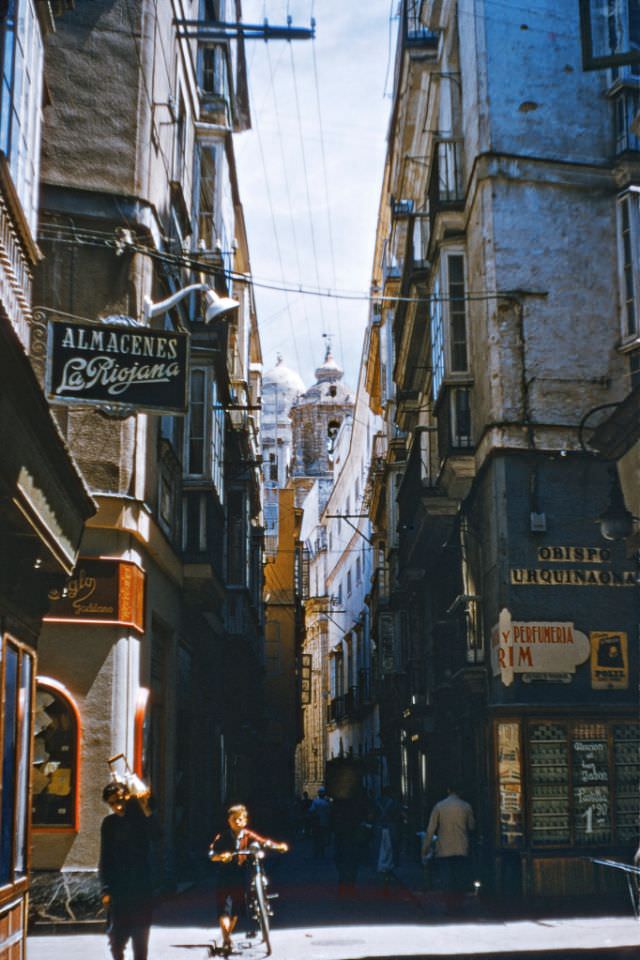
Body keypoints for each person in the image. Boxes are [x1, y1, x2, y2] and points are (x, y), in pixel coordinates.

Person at [209, 803, 288, 952]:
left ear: (245, 821)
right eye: (234, 819)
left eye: (240, 819)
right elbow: (211, 854)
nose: (237, 822)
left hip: (240, 875)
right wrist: (221, 857)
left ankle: (227, 936)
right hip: (224, 875)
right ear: (229, 821)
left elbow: (263, 842)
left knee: (237, 910)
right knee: (224, 909)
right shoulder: (223, 837)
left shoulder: (247, 835)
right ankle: (226, 938)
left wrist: (278, 846)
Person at [99, 781, 158, 960]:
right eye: (112, 803)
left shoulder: (141, 817)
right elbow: (105, 857)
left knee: (140, 941)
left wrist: (145, 807)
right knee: (117, 941)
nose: (117, 806)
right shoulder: (109, 823)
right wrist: (105, 889)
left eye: (119, 800)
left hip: (142, 887)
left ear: (127, 797)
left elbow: (157, 835)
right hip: (119, 890)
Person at [421, 785, 475, 914]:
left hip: (444, 848)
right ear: (460, 791)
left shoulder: (439, 806)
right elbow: (472, 826)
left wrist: (425, 848)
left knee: (447, 879)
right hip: (461, 846)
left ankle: (449, 906)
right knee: (460, 877)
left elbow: (431, 829)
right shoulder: (466, 806)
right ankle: (458, 905)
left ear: (448, 790)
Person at [375, 785, 403, 885]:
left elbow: (373, 815)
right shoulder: (394, 803)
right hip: (391, 827)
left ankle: (381, 865)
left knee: (381, 848)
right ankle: (389, 866)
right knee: (390, 848)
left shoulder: (377, 802)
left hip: (379, 827)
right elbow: (398, 816)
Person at [308, 786, 331, 858]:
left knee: (316, 838)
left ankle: (316, 852)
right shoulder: (327, 802)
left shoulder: (315, 801)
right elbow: (330, 812)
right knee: (322, 838)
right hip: (325, 823)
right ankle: (322, 852)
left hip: (317, 823)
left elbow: (311, 810)